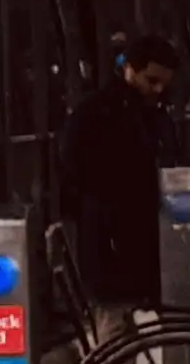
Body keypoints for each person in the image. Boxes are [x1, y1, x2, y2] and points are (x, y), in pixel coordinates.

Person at [63, 37, 182, 317]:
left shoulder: (136, 111)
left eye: (164, 83)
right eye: (151, 80)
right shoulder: (101, 114)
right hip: (113, 239)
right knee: (117, 324)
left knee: (118, 327)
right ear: (129, 69)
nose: (158, 89)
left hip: (122, 239)